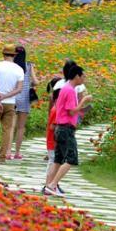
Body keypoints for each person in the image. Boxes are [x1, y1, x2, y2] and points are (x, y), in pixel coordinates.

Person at [44, 65, 92, 196]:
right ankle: (53, 185)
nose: (84, 79)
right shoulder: (70, 90)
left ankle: (49, 185)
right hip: (66, 128)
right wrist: (84, 101)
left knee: (58, 159)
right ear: (77, 76)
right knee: (71, 158)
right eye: (83, 76)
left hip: (60, 127)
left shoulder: (65, 88)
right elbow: (71, 111)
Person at [12, 46, 38, 160]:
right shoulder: (28, 65)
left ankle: (7, 150)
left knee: (10, 126)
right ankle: (17, 152)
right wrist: (30, 84)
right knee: (21, 127)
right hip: (24, 97)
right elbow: (36, 82)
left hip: (12, 97)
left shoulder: (11, 65)